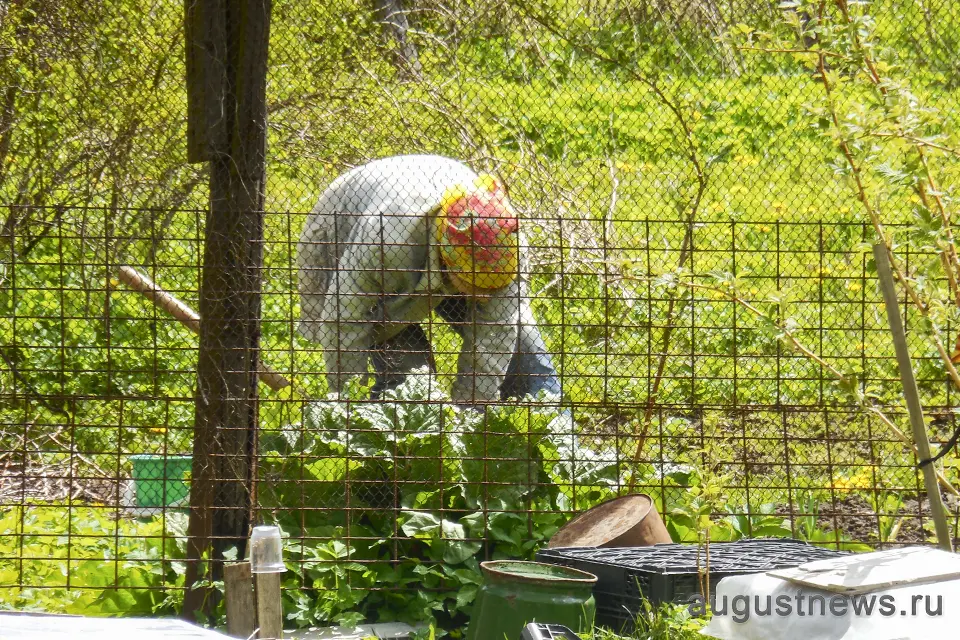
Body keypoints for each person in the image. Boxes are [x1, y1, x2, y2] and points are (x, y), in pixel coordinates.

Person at [296, 154, 560, 404]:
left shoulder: (506, 242)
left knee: (529, 360)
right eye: (477, 286)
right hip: (346, 236)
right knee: (410, 384)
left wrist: (471, 415)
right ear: (448, 262)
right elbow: (344, 325)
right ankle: (398, 447)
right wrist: (348, 407)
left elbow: (494, 340)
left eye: (493, 287)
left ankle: (558, 445)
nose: (484, 297)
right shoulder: (386, 241)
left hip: (429, 244)